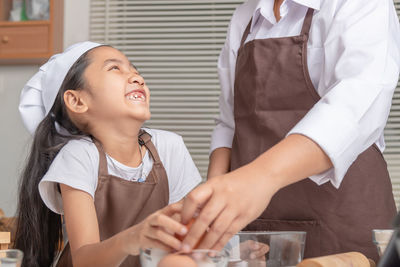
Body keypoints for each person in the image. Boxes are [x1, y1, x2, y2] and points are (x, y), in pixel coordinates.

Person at [179, 0, 400, 262]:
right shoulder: (245, 16)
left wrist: (260, 178)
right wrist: (214, 204)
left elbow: (355, 107)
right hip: (258, 225)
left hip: (343, 220)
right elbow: (230, 122)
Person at [14, 42, 202, 267]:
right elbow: (84, 260)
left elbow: (188, 237)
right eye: (115, 68)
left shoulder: (171, 147)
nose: (136, 77)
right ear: (77, 101)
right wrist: (134, 237)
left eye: (135, 70)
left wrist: (234, 249)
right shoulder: (78, 157)